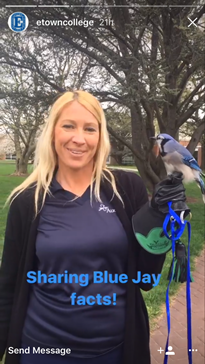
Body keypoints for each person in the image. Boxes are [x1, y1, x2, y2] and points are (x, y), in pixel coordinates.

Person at [0, 90, 188, 364]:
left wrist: (159, 220)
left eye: (90, 128)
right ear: (53, 132)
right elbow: (8, 285)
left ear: (100, 137)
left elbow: (146, 278)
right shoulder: (27, 200)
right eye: (68, 126)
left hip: (115, 350)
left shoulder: (126, 188)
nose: (79, 138)